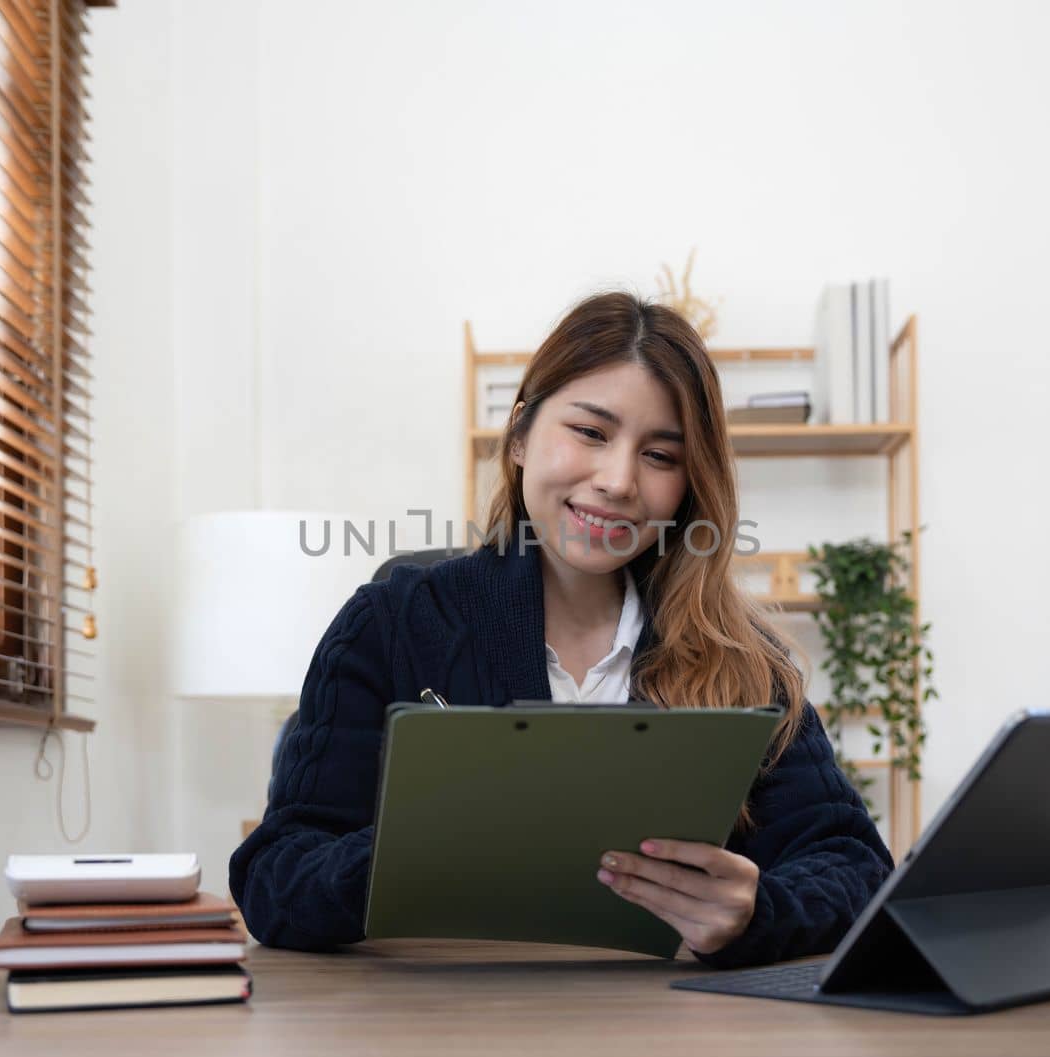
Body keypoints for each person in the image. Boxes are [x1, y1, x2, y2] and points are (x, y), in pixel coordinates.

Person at [229, 291, 893, 968]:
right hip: (443, 1023)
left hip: (664, 1029)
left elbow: (855, 867)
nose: (618, 481)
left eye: (661, 456)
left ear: (690, 486)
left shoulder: (744, 661)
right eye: (591, 432)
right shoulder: (390, 624)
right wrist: (408, 847)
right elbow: (274, 876)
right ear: (520, 435)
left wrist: (757, 911)